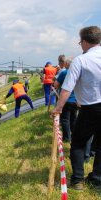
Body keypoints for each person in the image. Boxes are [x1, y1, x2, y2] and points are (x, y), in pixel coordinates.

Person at [52, 26, 101, 190]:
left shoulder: (81, 60)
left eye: (80, 42)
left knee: (79, 143)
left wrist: (58, 108)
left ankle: (78, 180)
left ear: (85, 42)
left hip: (90, 108)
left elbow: (67, 88)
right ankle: (97, 180)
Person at [54, 57, 78, 143]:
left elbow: (56, 84)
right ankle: (75, 136)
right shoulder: (77, 72)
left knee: (65, 120)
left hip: (66, 99)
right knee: (74, 119)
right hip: (76, 100)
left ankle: (67, 138)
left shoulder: (64, 72)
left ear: (67, 64)